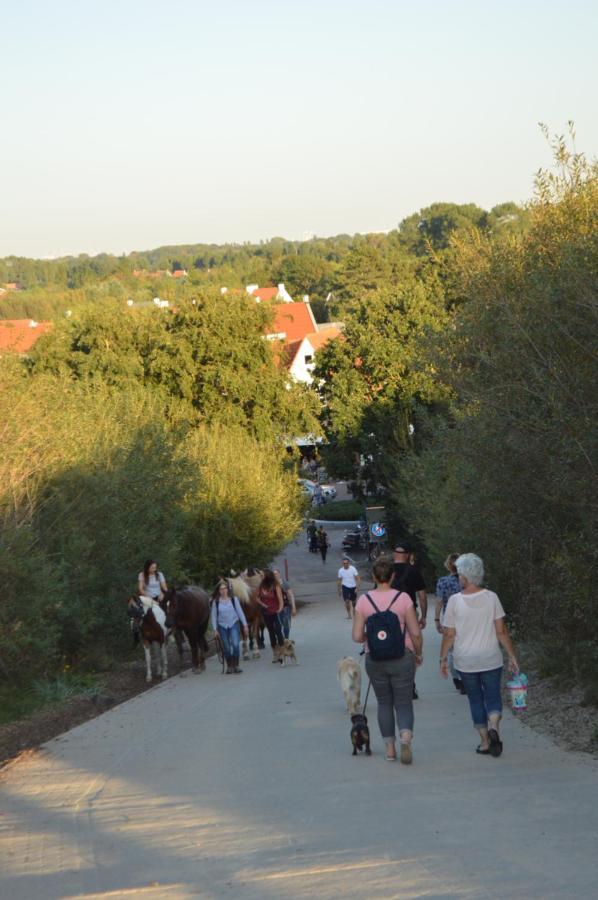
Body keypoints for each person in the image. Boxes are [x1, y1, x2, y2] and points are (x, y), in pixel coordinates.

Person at [440, 553, 519, 757]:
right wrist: (512, 655)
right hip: (490, 657)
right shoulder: (492, 597)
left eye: (459, 574)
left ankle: (484, 742)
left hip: (466, 661)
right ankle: (494, 725)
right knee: (493, 696)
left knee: (475, 700)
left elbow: (449, 635)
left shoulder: (455, 602)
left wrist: (442, 659)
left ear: (465, 576)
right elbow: (501, 631)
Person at [352, 556, 422, 763]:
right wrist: (418, 653)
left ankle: (390, 749)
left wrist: (370, 638)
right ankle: (406, 737)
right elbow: (415, 633)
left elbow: (356, 636)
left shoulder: (364, 601)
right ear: (393, 576)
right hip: (403, 657)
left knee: (384, 702)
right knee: (403, 702)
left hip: (375, 659)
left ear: (373, 576)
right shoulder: (403, 599)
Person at [391, 541, 427, 699]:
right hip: (410, 613)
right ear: (407, 555)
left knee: (391, 648)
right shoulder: (413, 571)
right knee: (411, 650)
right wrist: (424, 616)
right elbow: (422, 595)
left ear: (394, 554)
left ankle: (395, 684)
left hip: (389, 616)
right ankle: (410, 685)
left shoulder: (386, 571)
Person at [435, 553, 465, 693]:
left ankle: (457, 678)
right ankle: (466, 677)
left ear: (448, 565)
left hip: (449, 619)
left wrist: (436, 619)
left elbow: (440, 601)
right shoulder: (466, 581)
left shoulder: (443, 582)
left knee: (452, 651)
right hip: (466, 618)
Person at [211, 580, 249, 674]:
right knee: (226, 647)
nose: (223, 590)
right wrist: (215, 629)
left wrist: (245, 625)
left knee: (235, 644)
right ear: (219, 591)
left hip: (233, 624)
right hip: (222, 626)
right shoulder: (216, 602)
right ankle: (229, 666)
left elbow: (240, 612)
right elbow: (214, 616)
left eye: (224, 588)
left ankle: (236, 665)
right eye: (221, 589)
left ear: (227, 589)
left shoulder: (234, 599)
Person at [257, 569, 285, 662]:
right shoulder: (260, 586)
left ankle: (281, 653)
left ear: (267, 576)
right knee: (271, 632)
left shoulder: (275, 585)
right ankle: (275, 653)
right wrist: (263, 604)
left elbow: (281, 600)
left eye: (262, 575)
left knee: (278, 632)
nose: (261, 576)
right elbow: (257, 598)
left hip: (276, 611)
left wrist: (279, 609)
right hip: (266, 612)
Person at [274, 568, 296, 639]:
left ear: (279, 574)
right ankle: (280, 638)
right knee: (277, 625)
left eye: (276, 574)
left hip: (285, 607)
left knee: (286, 623)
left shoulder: (285, 583)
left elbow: (291, 594)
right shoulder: (272, 585)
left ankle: (286, 638)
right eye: (274, 574)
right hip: (276, 607)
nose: (275, 575)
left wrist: (294, 607)